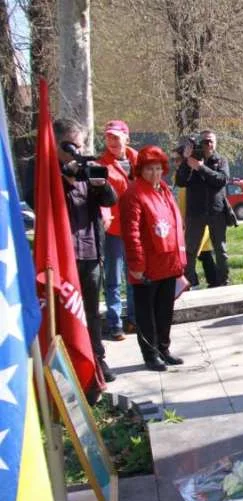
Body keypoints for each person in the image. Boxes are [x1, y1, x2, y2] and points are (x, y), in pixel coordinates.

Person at [53, 118, 118, 382]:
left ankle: (97, 360)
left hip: (90, 251)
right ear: (58, 144)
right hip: (61, 256)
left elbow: (111, 200)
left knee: (92, 311)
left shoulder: (87, 167)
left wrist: (99, 181)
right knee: (65, 313)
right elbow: (36, 199)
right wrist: (64, 178)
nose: (77, 151)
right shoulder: (42, 168)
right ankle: (67, 364)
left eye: (80, 146)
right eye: (72, 146)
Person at [119, 146, 187, 372]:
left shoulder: (164, 190)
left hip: (168, 263)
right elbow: (132, 233)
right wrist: (136, 265)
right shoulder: (133, 193)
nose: (155, 173)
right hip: (147, 267)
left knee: (164, 310)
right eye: (149, 169)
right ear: (141, 170)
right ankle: (150, 354)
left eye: (158, 168)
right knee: (146, 313)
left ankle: (164, 349)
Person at [97, 119, 138, 340]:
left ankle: (134, 319)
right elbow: (97, 198)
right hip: (113, 230)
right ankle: (115, 323)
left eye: (116, 137)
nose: (112, 141)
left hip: (137, 228)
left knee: (136, 276)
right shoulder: (99, 165)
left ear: (126, 138)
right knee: (113, 279)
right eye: (108, 137)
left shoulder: (139, 159)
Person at [175, 129, 230, 287]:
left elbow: (221, 180)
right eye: (206, 141)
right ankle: (188, 284)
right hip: (196, 213)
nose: (209, 144)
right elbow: (180, 181)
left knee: (221, 250)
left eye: (212, 141)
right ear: (200, 143)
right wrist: (187, 161)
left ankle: (223, 282)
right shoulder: (190, 160)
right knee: (190, 250)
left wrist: (201, 168)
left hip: (216, 212)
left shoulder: (221, 160)